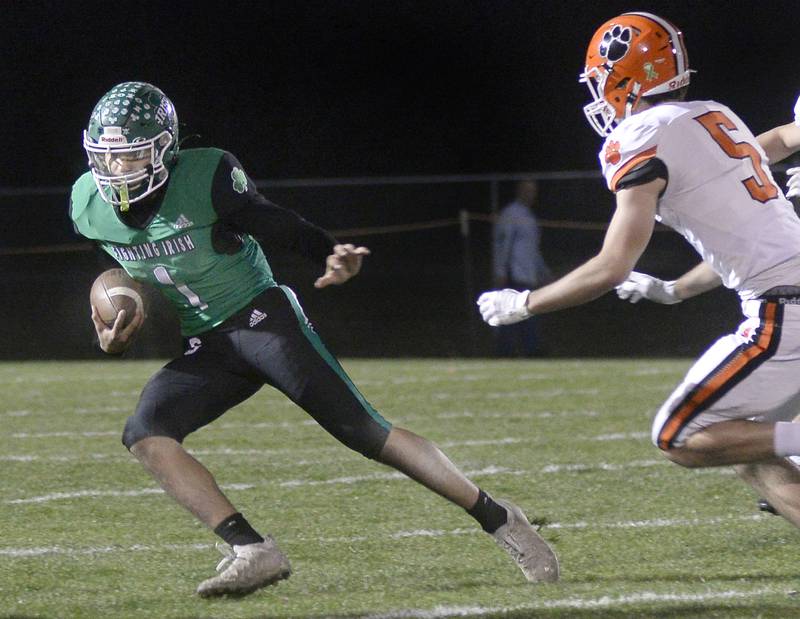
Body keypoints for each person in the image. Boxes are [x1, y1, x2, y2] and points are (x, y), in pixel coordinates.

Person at [70, 82, 559, 598]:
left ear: (165, 149)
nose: (118, 171)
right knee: (146, 433)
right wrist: (113, 335)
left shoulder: (205, 174)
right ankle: (252, 550)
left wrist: (327, 251)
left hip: (263, 320)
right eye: (109, 157)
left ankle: (499, 517)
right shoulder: (87, 205)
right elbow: (123, 277)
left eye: (132, 157)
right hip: (207, 345)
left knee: (366, 433)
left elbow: (271, 221)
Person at [478, 13, 800, 531]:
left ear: (623, 76)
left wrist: (525, 303)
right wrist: (672, 289)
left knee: (680, 434)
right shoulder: (714, 116)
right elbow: (778, 153)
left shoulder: (642, 136)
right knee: (741, 443)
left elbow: (611, 266)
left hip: (784, 314)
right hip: (785, 298)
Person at [492, 180, 551, 356]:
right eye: (527, 190)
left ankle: (530, 350)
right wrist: (501, 270)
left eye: (533, 191)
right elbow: (503, 244)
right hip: (514, 273)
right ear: (519, 191)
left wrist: (543, 272)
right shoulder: (511, 213)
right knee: (511, 313)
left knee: (528, 312)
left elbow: (533, 250)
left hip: (528, 275)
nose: (531, 195)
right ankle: (506, 351)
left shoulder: (529, 216)